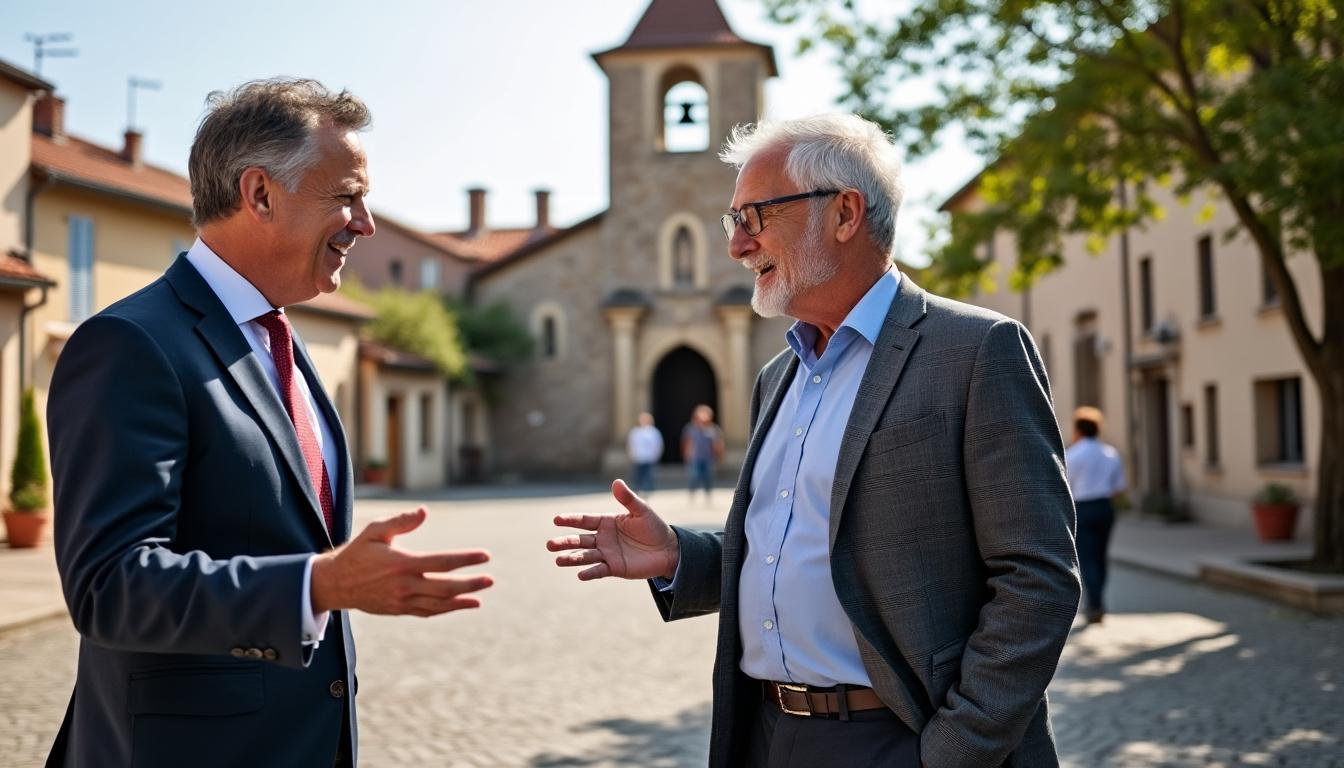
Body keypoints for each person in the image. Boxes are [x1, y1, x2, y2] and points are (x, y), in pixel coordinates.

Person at [549, 114, 1079, 768]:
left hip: (904, 737)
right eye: (731, 223)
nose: (737, 246)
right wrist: (681, 557)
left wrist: (947, 754)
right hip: (772, 736)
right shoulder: (780, 377)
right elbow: (804, 548)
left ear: (845, 214)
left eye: (755, 217)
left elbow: (1038, 578)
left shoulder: (977, 352)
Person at [46, 79, 493, 768]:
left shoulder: (279, 336)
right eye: (346, 196)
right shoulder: (131, 345)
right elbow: (111, 585)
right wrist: (319, 585)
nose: (366, 223)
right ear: (260, 194)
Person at [1065, 406, 1127, 624]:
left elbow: (1066, 486)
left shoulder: (1072, 454)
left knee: (1087, 557)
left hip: (1082, 507)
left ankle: (1094, 604)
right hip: (1104, 507)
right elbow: (1119, 487)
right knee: (1101, 556)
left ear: (1078, 429)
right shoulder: (1110, 453)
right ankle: (1099, 601)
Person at [682, 404, 724, 503]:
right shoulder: (691, 429)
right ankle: (692, 495)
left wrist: (719, 455)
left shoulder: (713, 429)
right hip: (695, 457)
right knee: (694, 477)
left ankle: (708, 496)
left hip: (708, 457)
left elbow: (719, 443)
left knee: (708, 478)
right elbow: (686, 442)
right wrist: (686, 455)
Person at [627, 412, 665, 495]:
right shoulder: (635, 432)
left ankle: (648, 491)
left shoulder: (654, 432)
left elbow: (658, 445)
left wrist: (656, 455)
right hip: (638, 457)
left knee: (649, 476)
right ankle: (638, 490)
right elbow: (631, 444)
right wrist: (632, 455)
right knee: (638, 476)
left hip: (649, 458)